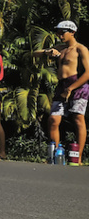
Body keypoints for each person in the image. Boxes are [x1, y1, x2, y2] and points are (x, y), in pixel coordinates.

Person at [35, 21, 89, 164]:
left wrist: (71, 89)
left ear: (72, 32)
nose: (59, 35)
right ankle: (54, 154)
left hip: (78, 86)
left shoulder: (80, 49)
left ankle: (78, 157)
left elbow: (88, 73)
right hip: (62, 86)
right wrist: (48, 52)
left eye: (62, 32)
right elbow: (34, 54)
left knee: (78, 119)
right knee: (53, 119)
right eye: (58, 32)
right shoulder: (60, 49)